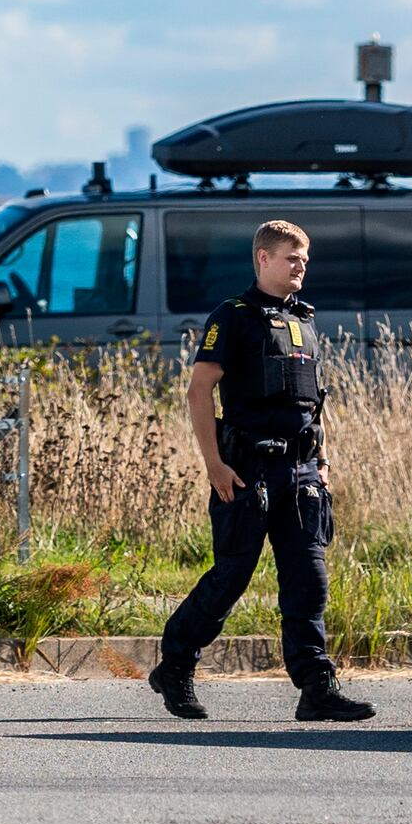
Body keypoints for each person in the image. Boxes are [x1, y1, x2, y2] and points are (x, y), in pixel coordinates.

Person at [150, 220, 374, 723]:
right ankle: (176, 665)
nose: (301, 267)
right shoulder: (232, 318)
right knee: (232, 576)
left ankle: (317, 687)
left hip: (300, 475)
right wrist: (215, 466)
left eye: (305, 260)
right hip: (246, 469)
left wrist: (321, 461)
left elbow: (311, 401)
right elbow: (198, 391)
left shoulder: (304, 320)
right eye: (292, 258)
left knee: (308, 580)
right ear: (263, 259)